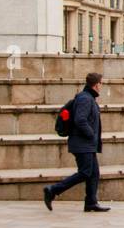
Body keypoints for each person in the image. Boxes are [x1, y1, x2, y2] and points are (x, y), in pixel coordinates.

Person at [44, 71, 110, 213]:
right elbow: (80, 120)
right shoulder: (85, 99)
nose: (102, 86)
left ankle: (91, 203)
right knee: (85, 172)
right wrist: (91, 134)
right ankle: (53, 190)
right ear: (96, 84)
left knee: (94, 173)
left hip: (86, 144)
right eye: (101, 83)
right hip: (82, 144)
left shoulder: (88, 98)